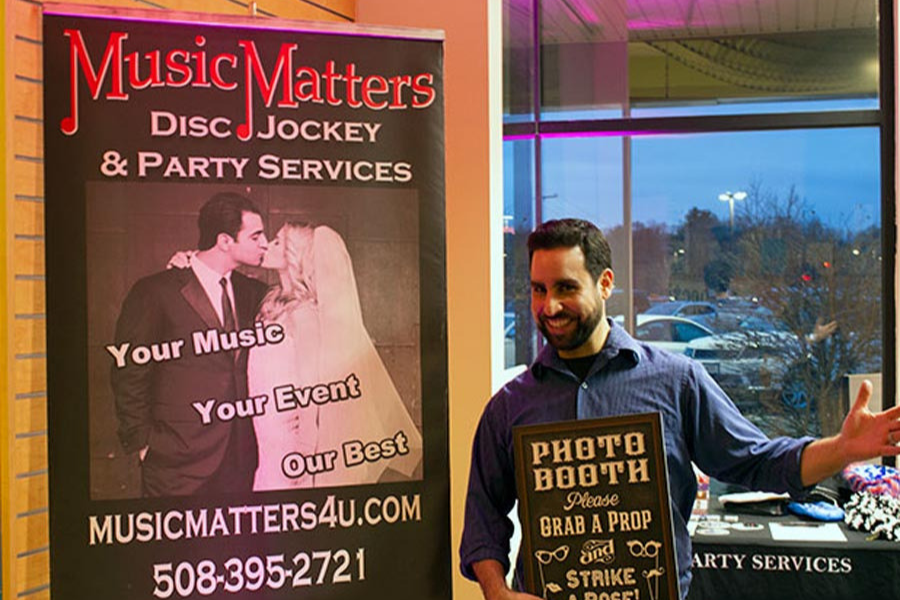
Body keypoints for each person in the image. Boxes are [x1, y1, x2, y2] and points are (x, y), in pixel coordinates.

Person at [459, 218, 900, 600]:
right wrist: (497, 591)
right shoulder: (509, 407)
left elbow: (758, 462)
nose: (549, 306)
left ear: (606, 283)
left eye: (566, 288)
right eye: (539, 289)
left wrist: (842, 449)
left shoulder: (675, 382)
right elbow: (483, 520)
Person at [111, 192, 269, 496]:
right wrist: (144, 444)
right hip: (175, 463)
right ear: (224, 241)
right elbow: (129, 373)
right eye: (256, 235)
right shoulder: (153, 292)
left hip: (241, 461)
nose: (264, 243)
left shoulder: (254, 293)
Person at [248, 222, 422, 489]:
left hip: (288, 435)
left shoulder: (304, 314)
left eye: (278, 242)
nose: (267, 245)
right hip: (266, 430)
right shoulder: (273, 300)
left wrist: (305, 449)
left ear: (294, 256)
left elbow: (311, 385)